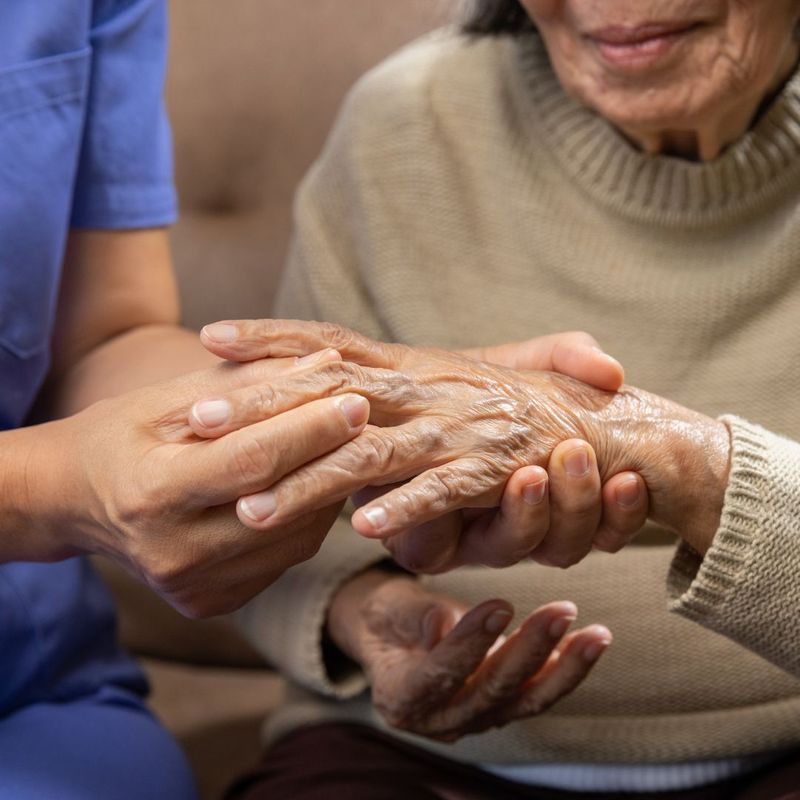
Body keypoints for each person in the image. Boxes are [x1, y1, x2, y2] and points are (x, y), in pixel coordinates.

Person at [0, 1, 642, 796]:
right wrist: (53, 488)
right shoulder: (404, 119)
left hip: (29, 678)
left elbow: (102, 339)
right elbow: (68, 468)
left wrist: (385, 393)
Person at [201, 0, 800, 798]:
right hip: (417, 763)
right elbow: (267, 508)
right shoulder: (402, 123)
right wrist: (363, 612)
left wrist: (678, 460)